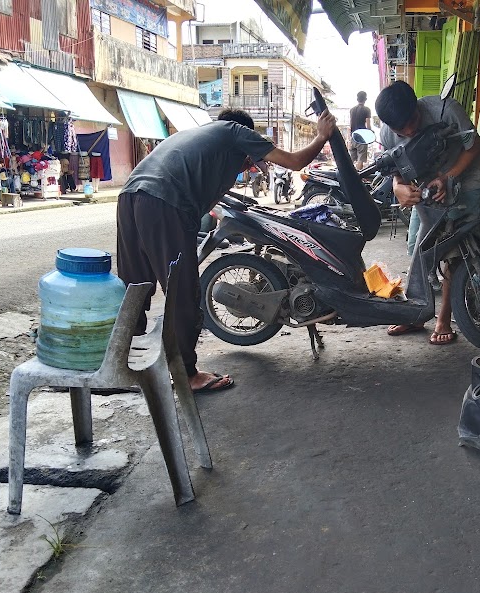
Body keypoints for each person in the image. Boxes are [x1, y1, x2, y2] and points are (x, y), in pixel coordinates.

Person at [117, 107, 337, 393]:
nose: (250, 163)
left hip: (130, 195)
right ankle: (186, 374)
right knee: (182, 291)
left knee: (136, 284)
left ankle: (124, 363)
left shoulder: (197, 139)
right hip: (164, 203)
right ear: (246, 135)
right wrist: (321, 136)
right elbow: (295, 162)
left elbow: (209, 198)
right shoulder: (234, 131)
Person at [376, 81, 480, 345]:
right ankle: (416, 313)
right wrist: (399, 188)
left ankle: (444, 318)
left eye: (413, 121)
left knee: (454, 251)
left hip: (466, 181)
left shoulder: (445, 111)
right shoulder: (388, 134)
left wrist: (448, 177)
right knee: (421, 248)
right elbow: (396, 174)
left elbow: (475, 146)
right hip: (426, 189)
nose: (410, 130)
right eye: (401, 130)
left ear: (418, 106)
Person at [349, 91, 372, 170]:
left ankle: (346, 175)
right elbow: (368, 126)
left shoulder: (352, 110)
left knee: (350, 160)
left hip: (353, 137)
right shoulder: (367, 110)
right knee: (360, 160)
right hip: (362, 138)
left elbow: (350, 124)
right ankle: (357, 178)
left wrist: (350, 137)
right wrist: (370, 135)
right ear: (365, 99)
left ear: (357, 99)